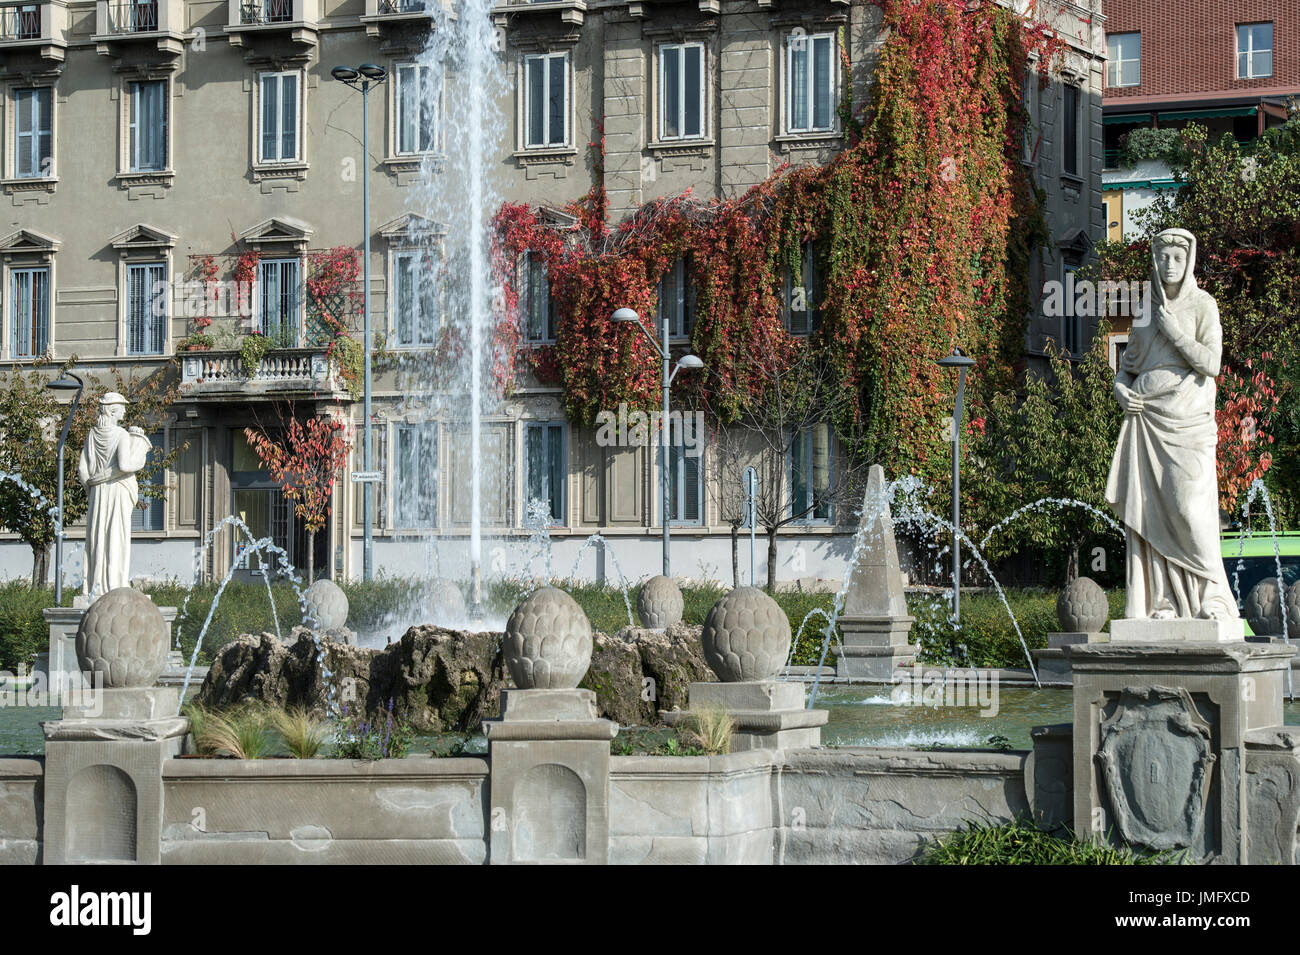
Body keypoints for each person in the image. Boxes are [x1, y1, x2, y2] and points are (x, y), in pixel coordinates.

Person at [1105, 228, 1237, 621]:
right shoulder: (1146, 312)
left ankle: (1211, 599)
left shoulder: (1203, 306)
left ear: (1189, 260)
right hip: (1146, 421)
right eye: (1163, 256)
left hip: (1188, 420)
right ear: (1155, 260)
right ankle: (1162, 602)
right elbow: (1126, 370)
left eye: (1177, 257)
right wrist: (1120, 392)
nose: (1170, 264)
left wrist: (1175, 331)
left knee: (1190, 509)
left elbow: (1211, 364)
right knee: (1150, 512)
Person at [77, 393, 151, 601]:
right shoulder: (120, 435)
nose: (125, 411)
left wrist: (92, 490)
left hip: (98, 493)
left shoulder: (92, 434)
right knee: (116, 537)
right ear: (112, 410)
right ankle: (116, 585)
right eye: (122, 407)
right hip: (117, 490)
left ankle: (95, 586)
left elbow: (82, 470)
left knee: (97, 538)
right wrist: (142, 456)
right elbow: (125, 466)